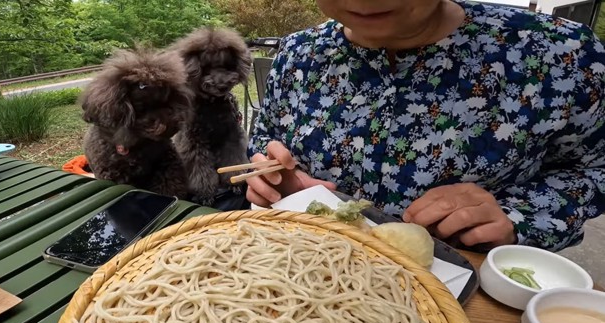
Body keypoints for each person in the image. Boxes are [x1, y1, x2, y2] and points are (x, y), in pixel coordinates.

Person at [246, 0, 605, 252]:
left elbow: (594, 170)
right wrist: (274, 177)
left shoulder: (559, 54)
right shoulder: (297, 55)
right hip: (308, 278)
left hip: (468, 297)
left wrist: (518, 216)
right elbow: (265, 138)